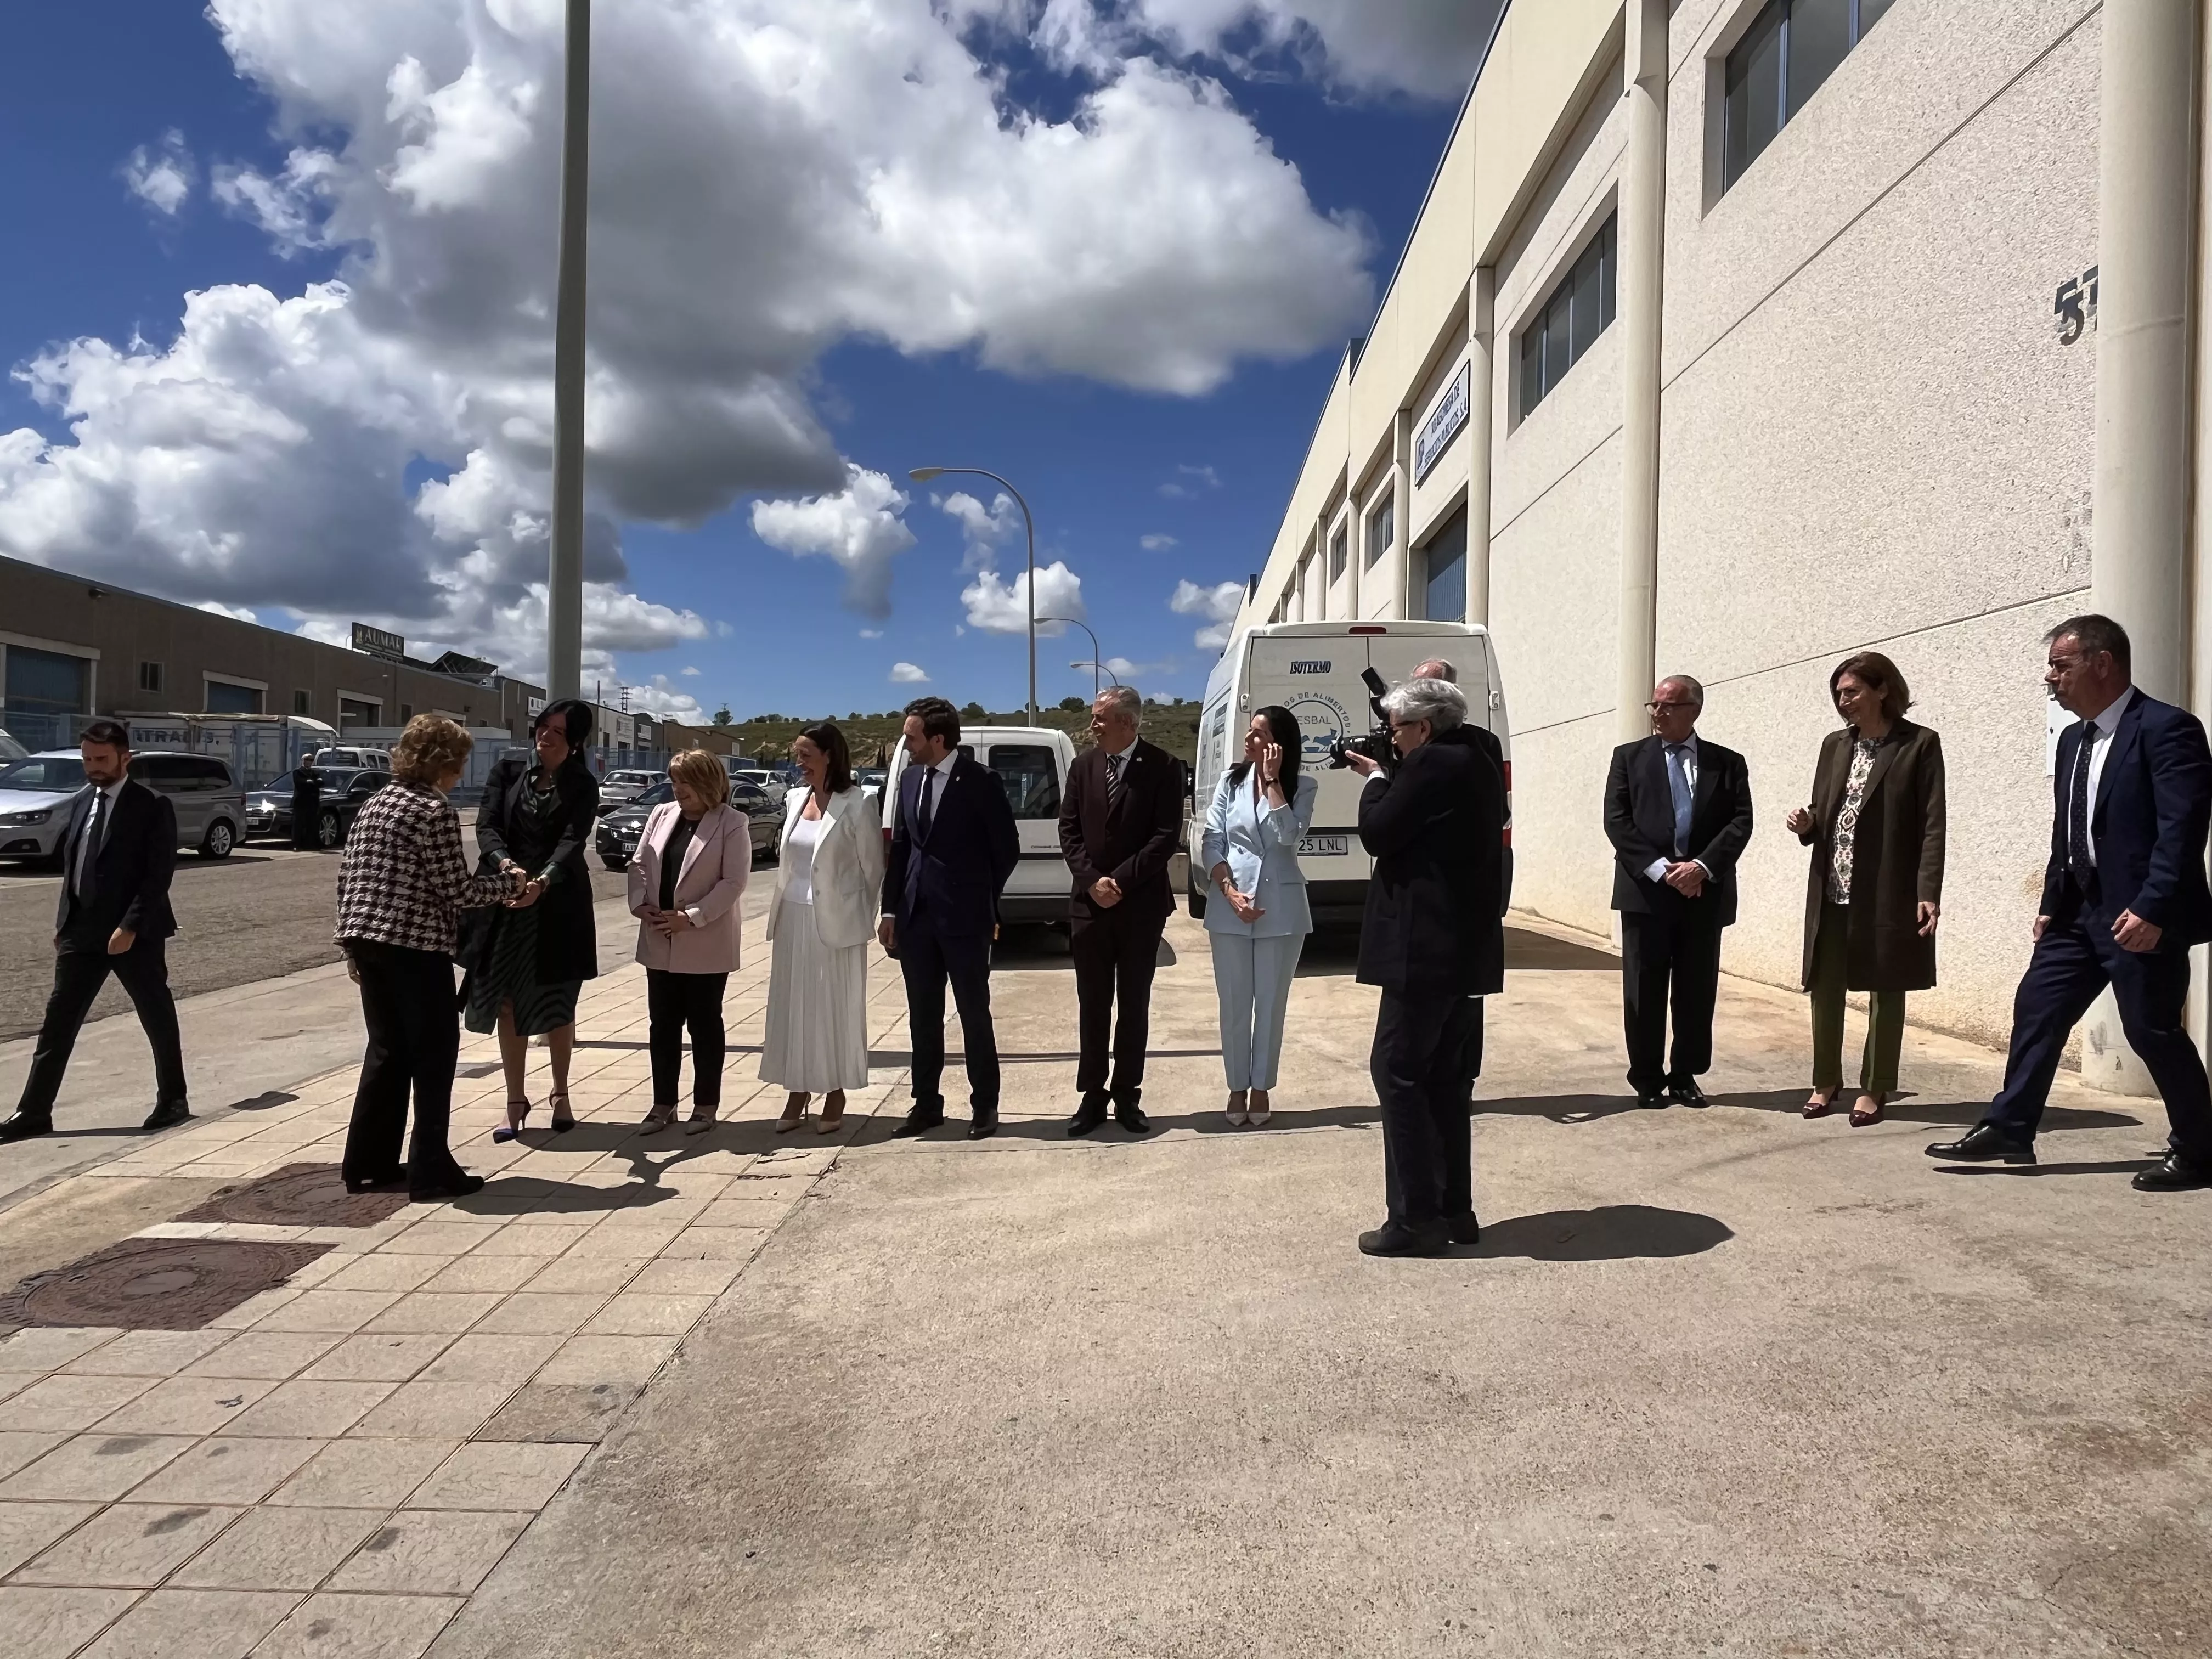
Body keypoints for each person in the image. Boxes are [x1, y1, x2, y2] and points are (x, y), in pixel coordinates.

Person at [1929, 616, 2212, 1189]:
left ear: (2102, 664)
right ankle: (2011, 1127)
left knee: (2151, 1030)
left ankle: (2200, 1150)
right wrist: (2051, 901)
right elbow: (2070, 829)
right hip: (2077, 912)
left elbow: (2182, 830)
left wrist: (2154, 908)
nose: (2050, 677)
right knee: (2038, 1007)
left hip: (2140, 915)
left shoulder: (2167, 729)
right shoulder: (2072, 740)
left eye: (2061, 665)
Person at [1341, 678, 1505, 1256]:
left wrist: (1377, 780)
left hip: (1423, 951)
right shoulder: (1479, 757)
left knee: (1398, 1073)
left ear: (1425, 727)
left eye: (1397, 730)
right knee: (1445, 1082)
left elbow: (1378, 833)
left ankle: (1414, 1220)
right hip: (1463, 952)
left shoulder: (1431, 764)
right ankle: (1454, 1208)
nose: (1392, 740)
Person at [332, 716, 523, 1198]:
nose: (460, 773)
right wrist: (512, 885)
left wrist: (350, 947)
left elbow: (348, 878)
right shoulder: (432, 810)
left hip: (367, 940)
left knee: (386, 1052)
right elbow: (455, 889)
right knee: (434, 1056)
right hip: (415, 948)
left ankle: (367, 1162)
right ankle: (430, 1168)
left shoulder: (376, 802)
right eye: (459, 764)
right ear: (444, 764)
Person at [1, 721, 190, 1143]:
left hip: (133, 934)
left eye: (102, 759)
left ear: (125, 758)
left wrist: (130, 926)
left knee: (156, 1016)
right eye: (88, 759)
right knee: (58, 1023)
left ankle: (173, 1100)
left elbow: (158, 874)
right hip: (81, 933)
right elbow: (74, 865)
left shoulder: (151, 805)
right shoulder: (82, 801)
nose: (93, 767)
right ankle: (34, 1112)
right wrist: (64, 923)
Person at [1785, 654, 1946, 1127]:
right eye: (1838, 694)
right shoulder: (1835, 745)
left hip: (1887, 889)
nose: (1843, 702)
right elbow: (1825, 809)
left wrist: (1928, 890)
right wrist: (1808, 822)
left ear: (1882, 690)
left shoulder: (1919, 744)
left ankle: (1875, 1086)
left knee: (1887, 987)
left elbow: (1932, 823)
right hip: (1832, 887)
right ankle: (1825, 1081)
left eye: (1852, 691)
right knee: (1824, 987)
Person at [1603, 676, 1755, 1109]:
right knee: (1644, 990)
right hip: (1646, 893)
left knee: (1695, 991)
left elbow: (1740, 821)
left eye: (1668, 705)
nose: (1658, 713)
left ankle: (1686, 1075)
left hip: (1703, 893)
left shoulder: (1727, 763)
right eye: (1654, 704)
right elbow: (1617, 820)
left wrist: (1702, 868)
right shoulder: (1628, 758)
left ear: (1695, 710)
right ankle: (1647, 1079)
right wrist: (1661, 871)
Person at [879, 697, 1019, 1138]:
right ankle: (927, 1105)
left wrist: (982, 899)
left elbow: (1006, 849)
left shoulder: (981, 781)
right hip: (916, 919)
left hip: (965, 920)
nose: (905, 744)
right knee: (923, 1017)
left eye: (911, 736)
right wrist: (890, 908)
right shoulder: (909, 779)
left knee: (974, 1014)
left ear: (938, 739)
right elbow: (901, 847)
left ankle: (985, 1106)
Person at [464, 699, 600, 1141]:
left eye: (558, 732)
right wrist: (506, 867)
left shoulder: (582, 784)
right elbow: (487, 828)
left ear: (575, 741)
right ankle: (515, 1100)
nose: (546, 736)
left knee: (558, 1003)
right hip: (505, 903)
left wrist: (542, 882)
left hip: (558, 905)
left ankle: (561, 1094)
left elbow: (573, 840)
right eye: (543, 727)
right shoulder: (507, 772)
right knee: (506, 1002)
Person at [1058, 685, 1186, 1136]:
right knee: (1093, 1005)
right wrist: (1092, 881)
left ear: (1127, 723)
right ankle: (1092, 1097)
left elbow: (1165, 836)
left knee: (1134, 1005)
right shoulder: (1083, 767)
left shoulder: (1165, 767)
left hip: (1141, 908)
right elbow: (1069, 830)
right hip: (1089, 907)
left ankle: (1128, 1095)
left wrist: (1121, 882)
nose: (1093, 725)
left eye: (1100, 718)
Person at [763, 722, 884, 1135]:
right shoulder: (796, 798)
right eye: (797, 755)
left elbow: (873, 870)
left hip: (837, 924)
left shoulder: (860, 803)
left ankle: (834, 1090)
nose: (799, 763)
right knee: (794, 1006)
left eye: (807, 755)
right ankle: (797, 1089)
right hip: (792, 919)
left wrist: (860, 917)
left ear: (830, 756)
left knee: (833, 1008)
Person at [1201, 706, 1318, 1127]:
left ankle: (1262, 1086)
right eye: (1249, 732)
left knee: (1270, 1005)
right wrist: (1229, 892)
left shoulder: (1304, 786)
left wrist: (1272, 782)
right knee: (1234, 1003)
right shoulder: (1229, 783)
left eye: (1258, 734)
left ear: (1278, 744)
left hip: (1280, 910)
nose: (1248, 740)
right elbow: (1212, 840)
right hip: (1229, 906)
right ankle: (1236, 1086)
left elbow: (1289, 836)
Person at [628, 750, 749, 1134]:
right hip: (659, 937)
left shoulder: (732, 822)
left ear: (707, 782)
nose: (678, 789)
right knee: (662, 1026)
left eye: (686, 782)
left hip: (705, 940)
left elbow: (733, 882)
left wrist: (692, 917)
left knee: (704, 1024)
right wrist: (641, 905)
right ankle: (663, 1104)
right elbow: (639, 863)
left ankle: (705, 1106)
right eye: (674, 781)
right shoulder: (660, 814)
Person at [289, 760, 325, 851]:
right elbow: (300, 783)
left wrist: (311, 782)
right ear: (303, 761)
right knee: (298, 824)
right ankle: (296, 845)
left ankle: (309, 844)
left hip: (312, 802)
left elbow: (321, 783)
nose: (309, 762)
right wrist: (309, 782)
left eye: (311, 760)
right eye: (307, 760)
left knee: (311, 824)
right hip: (300, 802)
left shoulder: (314, 773)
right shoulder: (298, 772)